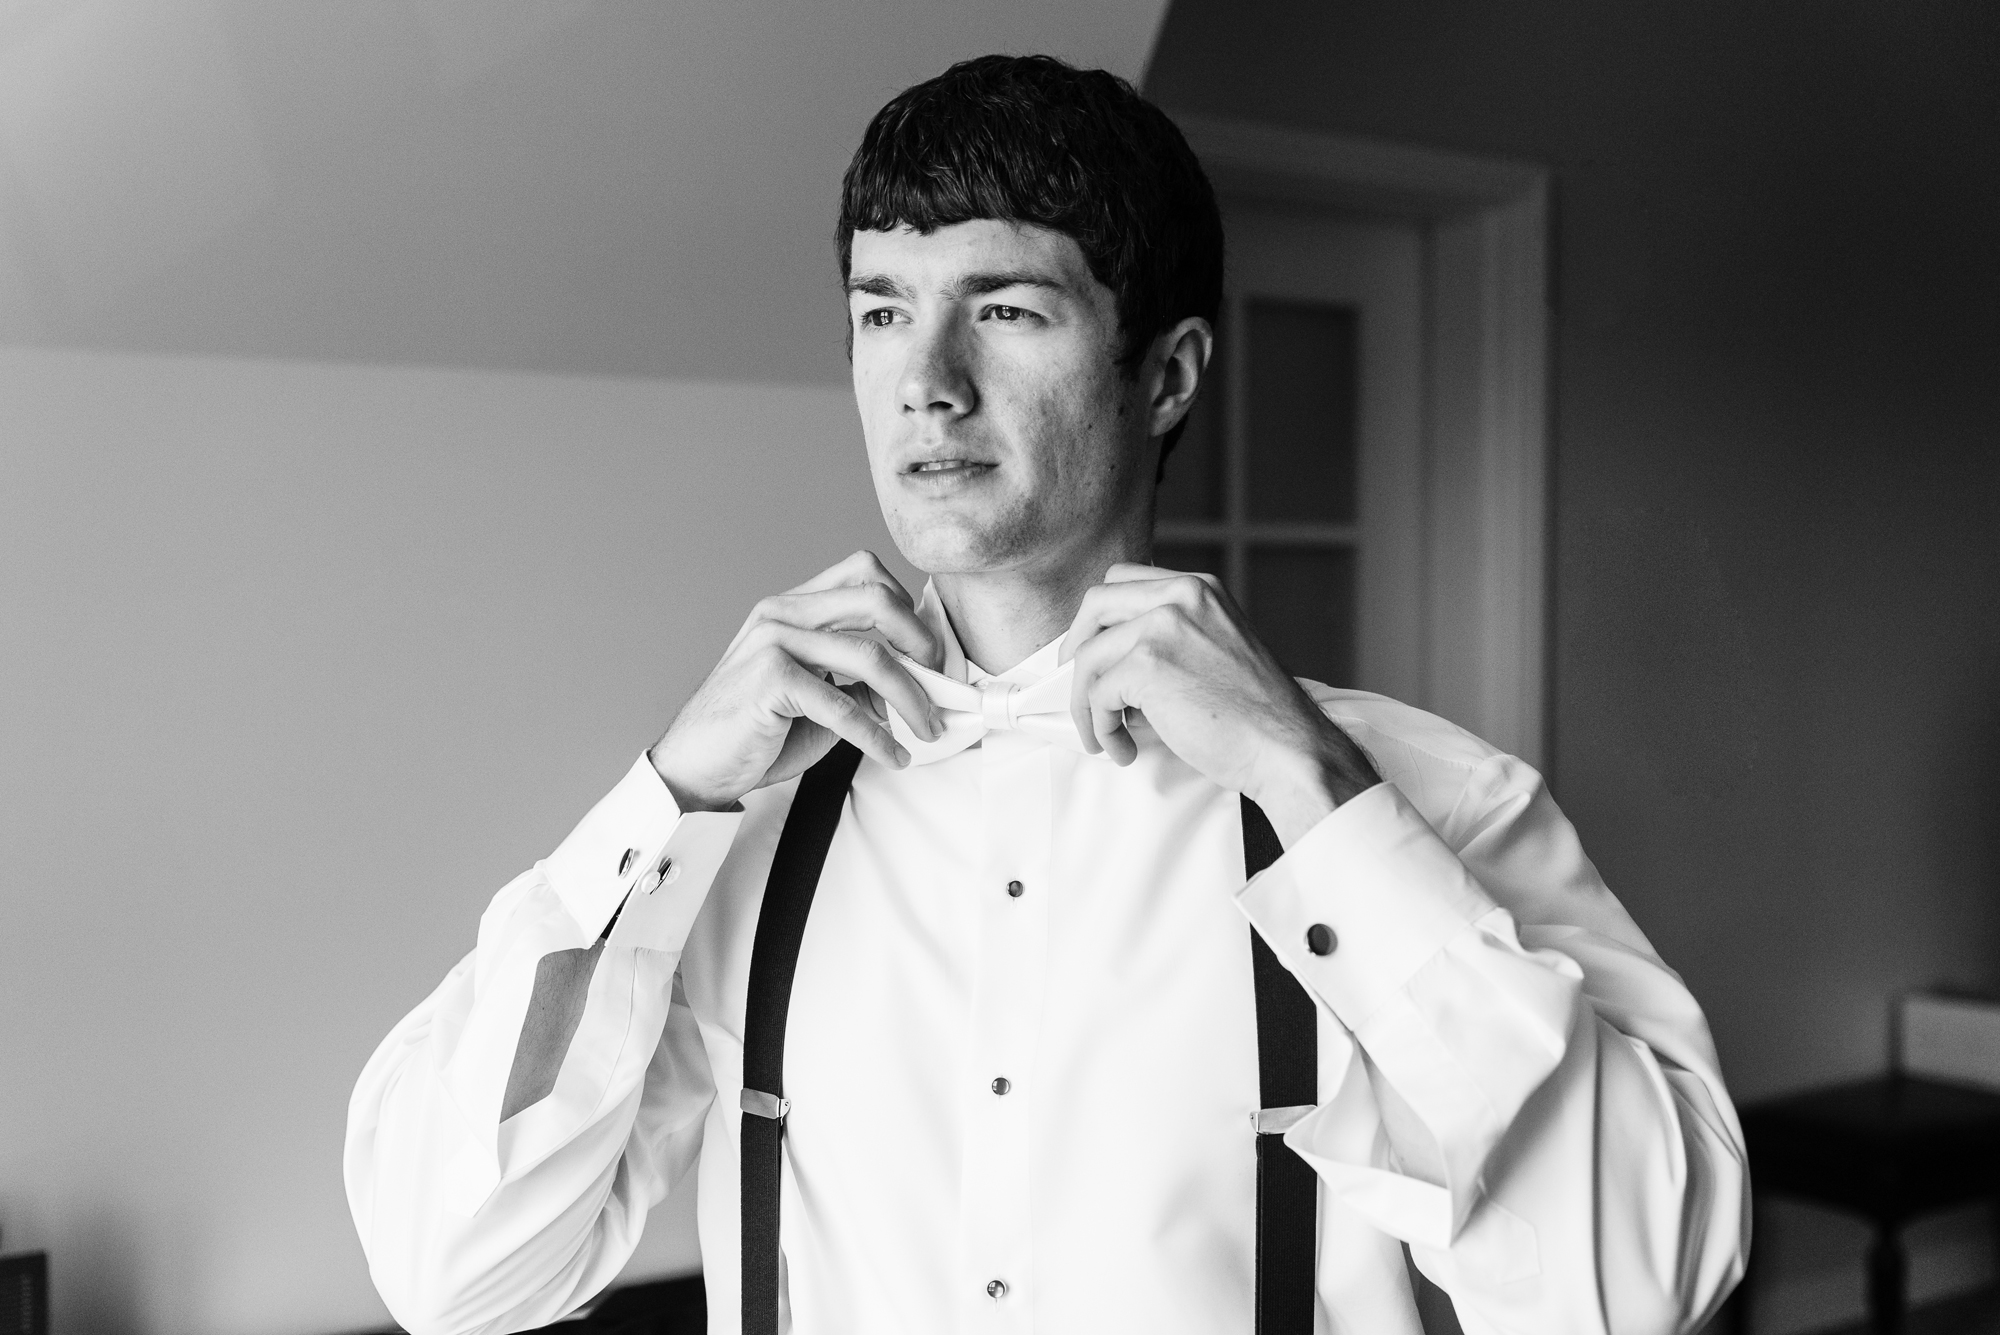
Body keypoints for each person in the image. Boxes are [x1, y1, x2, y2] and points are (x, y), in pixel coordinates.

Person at [345, 54, 1746, 1335]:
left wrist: (1322, 806)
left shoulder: (1420, 802)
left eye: (1005, 311)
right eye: (883, 312)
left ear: (1168, 374)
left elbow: (1639, 1287)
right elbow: (453, 1269)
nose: (926, 385)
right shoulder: (723, 834)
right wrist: (666, 799)